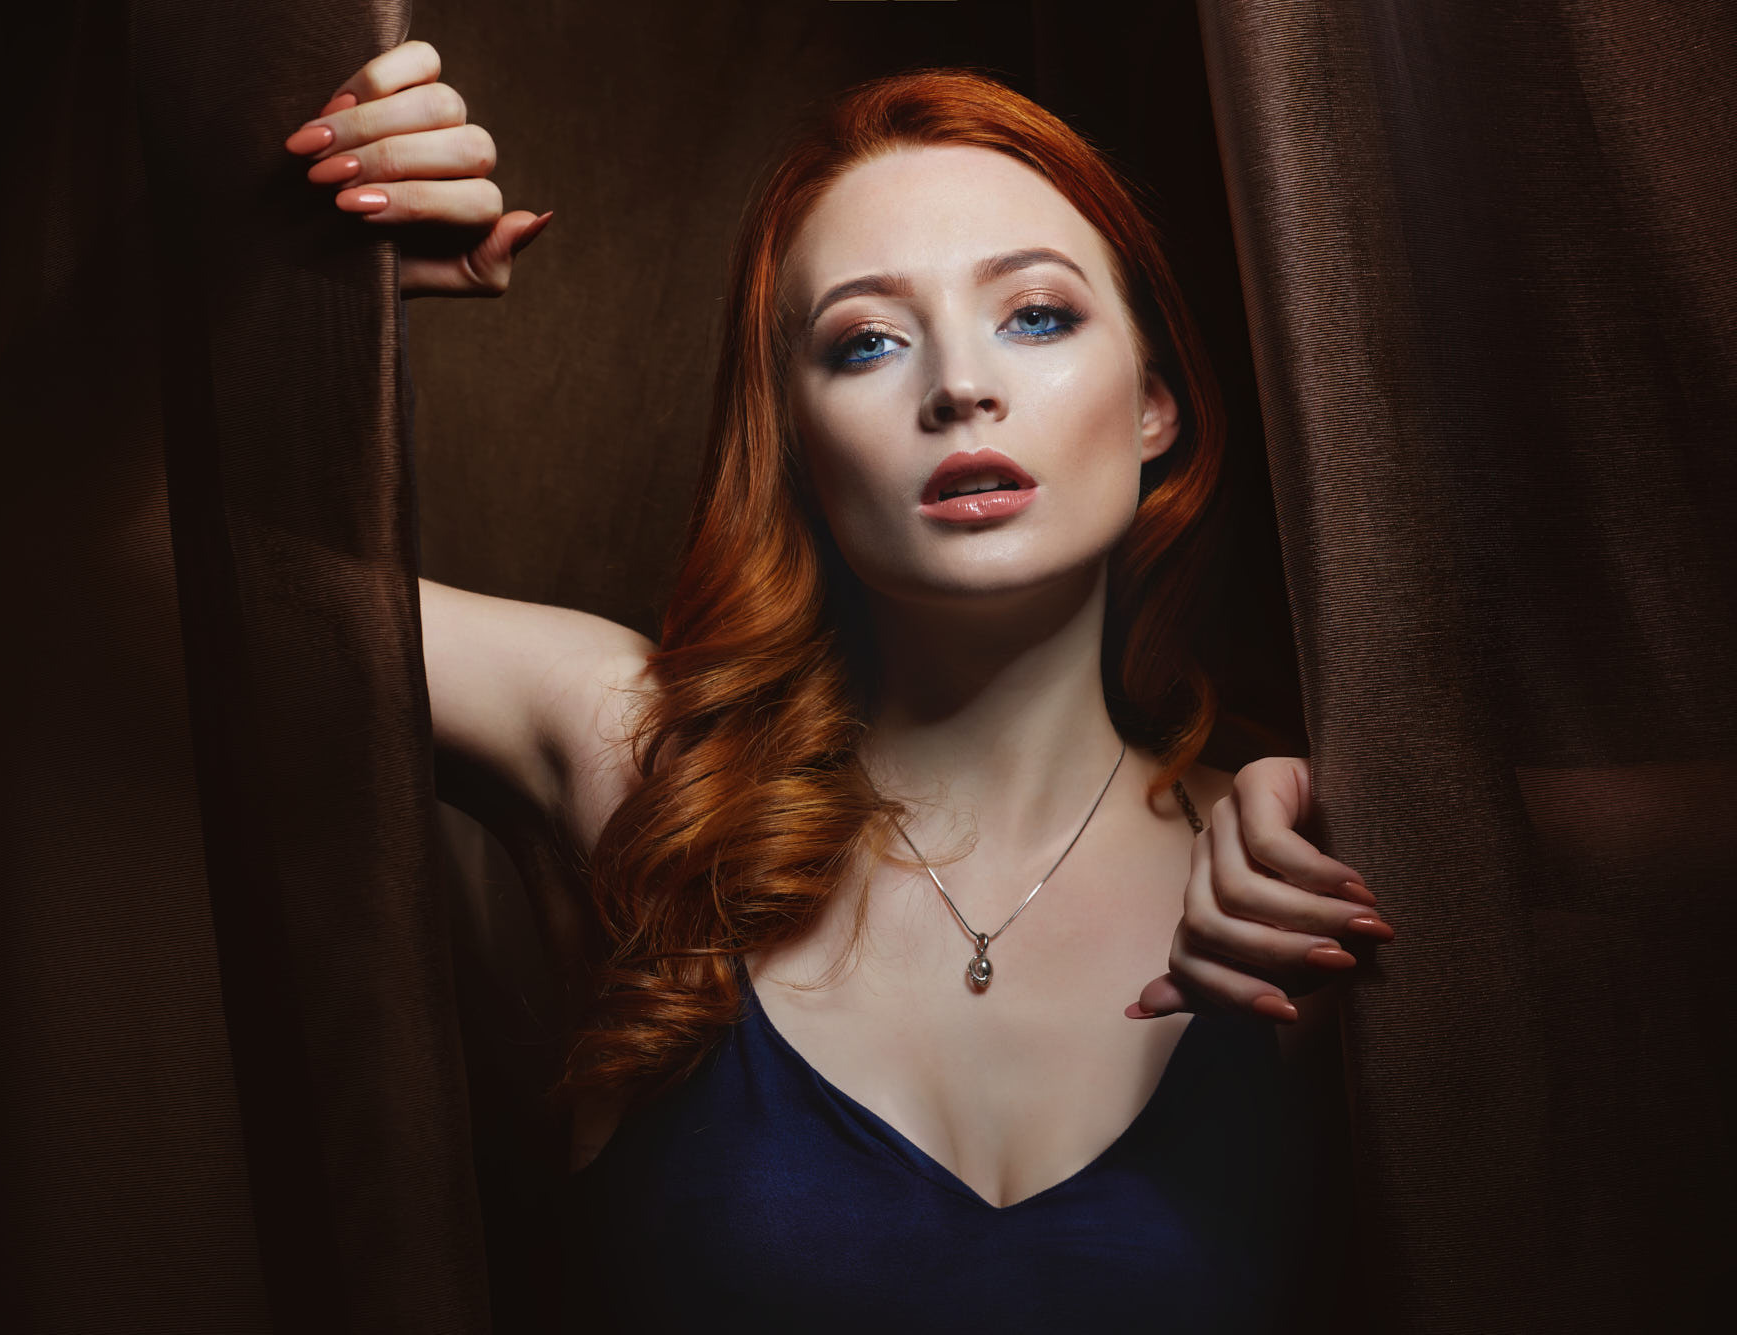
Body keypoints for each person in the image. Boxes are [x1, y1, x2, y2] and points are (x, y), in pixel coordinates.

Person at [285, 37, 1393, 1332]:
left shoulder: (1309, 857)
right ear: (793, 440)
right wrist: (299, 307)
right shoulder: (639, 757)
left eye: (1035, 314)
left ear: (1154, 404)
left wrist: (1364, 796)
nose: (960, 386)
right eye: (866, 342)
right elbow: (89, 583)